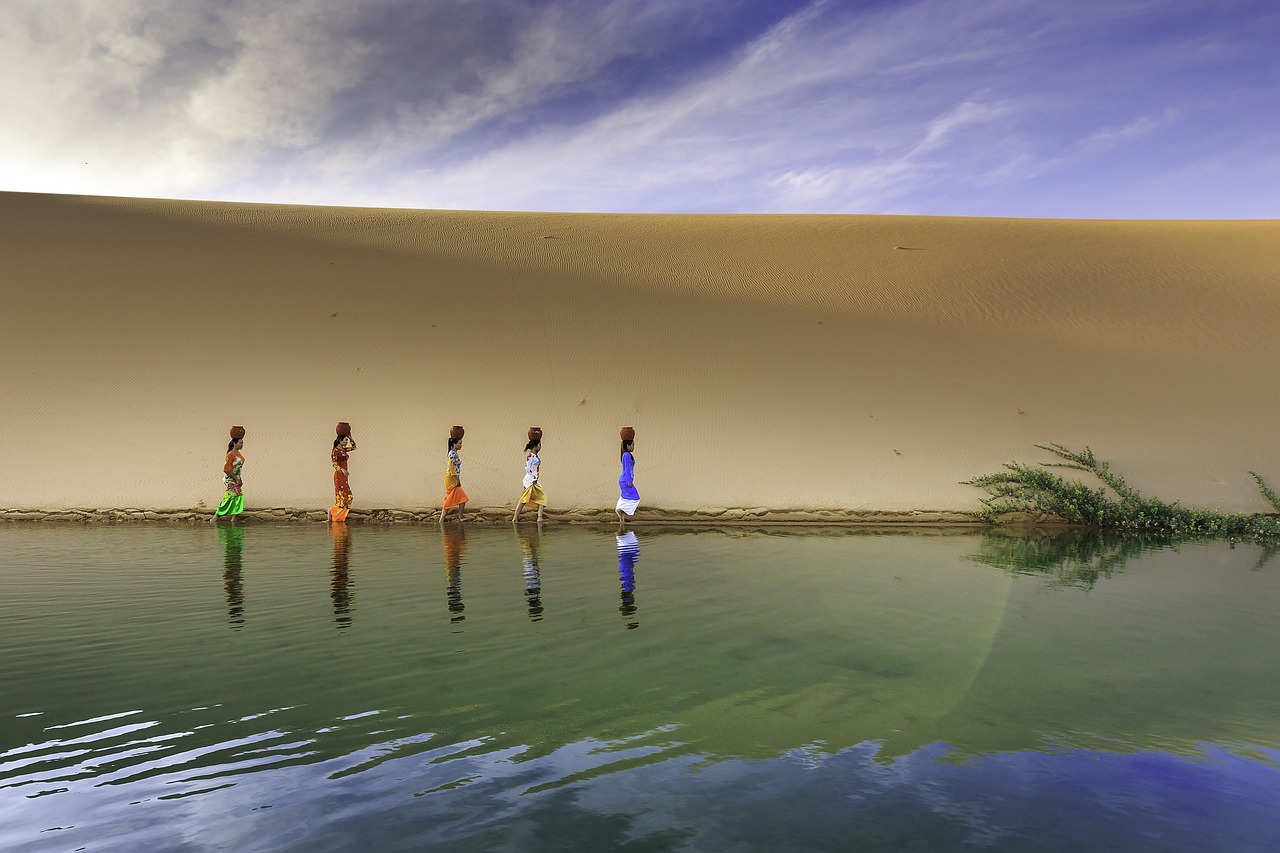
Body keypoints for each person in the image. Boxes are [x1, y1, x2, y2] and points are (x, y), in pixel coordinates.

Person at [512, 439, 546, 523]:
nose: (540, 447)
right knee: (525, 499)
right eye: (539, 445)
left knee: (541, 497)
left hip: (534, 480)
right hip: (530, 481)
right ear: (535, 446)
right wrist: (533, 478)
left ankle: (539, 517)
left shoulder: (534, 455)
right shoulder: (530, 455)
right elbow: (527, 468)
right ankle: (516, 518)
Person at [213, 436, 246, 522]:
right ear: (234, 444)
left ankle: (234, 518)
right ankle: (217, 516)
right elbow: (226, 470)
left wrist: (240, 479)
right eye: (240, 443)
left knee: (237, 497)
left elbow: (237, 469)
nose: (242, 445)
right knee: (231, 497)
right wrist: (236, 479)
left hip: (236, 478)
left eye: (242, 443)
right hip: (230, 479)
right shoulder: (230, 454)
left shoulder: (238, 454)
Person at [329, 434, 357, 522]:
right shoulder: (335, 451)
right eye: (345, 440)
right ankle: (334, 513)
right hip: (339, 475)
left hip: (344, 476)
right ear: (340, 441)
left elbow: (354, 447)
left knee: (349, 497)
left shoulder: (343, 450)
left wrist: (351, 438)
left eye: (347, 440)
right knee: (343, 497)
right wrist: (341, 469)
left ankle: (338, 516)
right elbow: (334, 463)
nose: (346, 442)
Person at [442, 435, 469, 522]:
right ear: (454, 444)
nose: (461, 445)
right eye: (459, 443)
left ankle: (444, 519)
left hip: (451, 478)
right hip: (451, 479)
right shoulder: (452, 454)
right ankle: (459, 516)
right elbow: (451, 467)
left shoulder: (453, 453)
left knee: (459, 498)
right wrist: (457, 479)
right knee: (460, 498)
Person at [616, 437, 639, 529]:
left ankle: (622, 519)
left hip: (624, 480)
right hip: (625, 481)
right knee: (635, 498)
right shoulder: (626, 455)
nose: (634, 447)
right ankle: (619, 510)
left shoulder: (626, 454)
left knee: (626, 498)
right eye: (632, 445)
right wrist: (629, 481)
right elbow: (626, 470)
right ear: (627, 445)